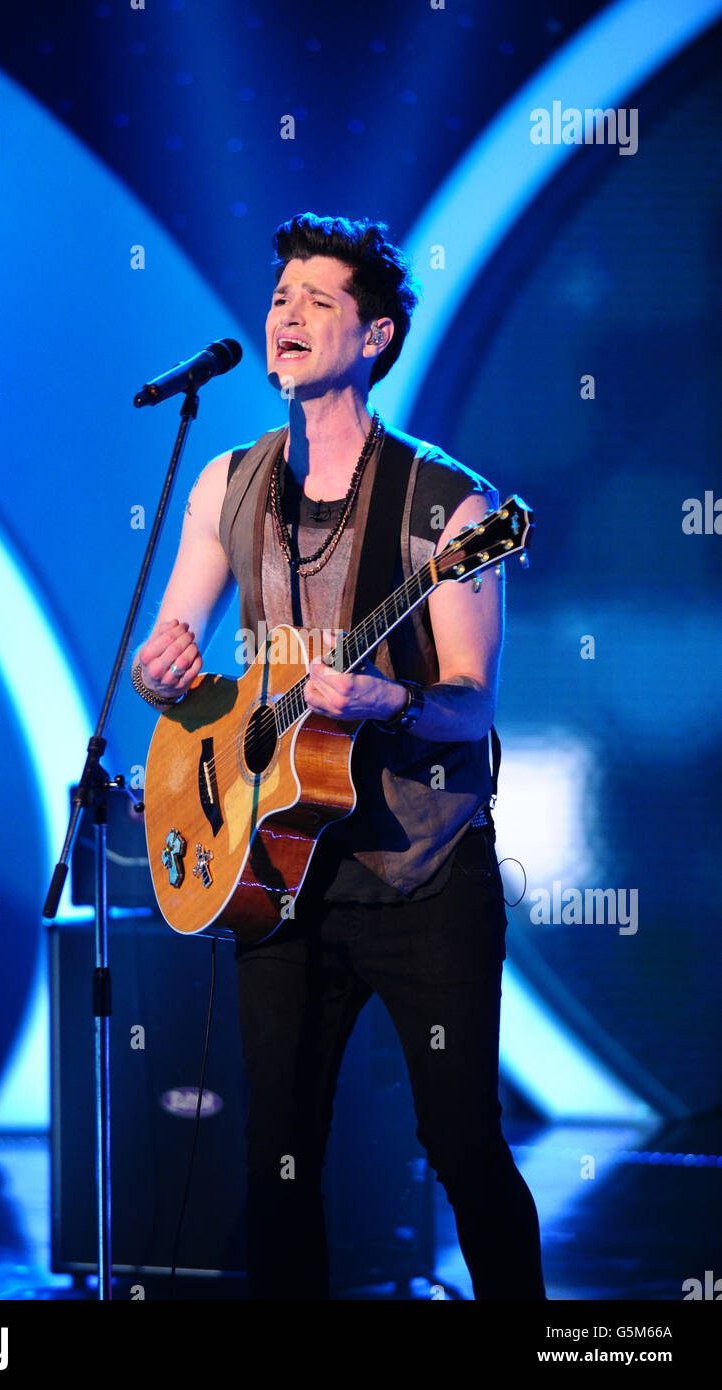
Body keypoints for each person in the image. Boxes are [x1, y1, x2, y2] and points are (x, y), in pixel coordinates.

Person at [132, 212, 545, 1301]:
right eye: (279, 299)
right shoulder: (227, 482)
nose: (287, 317)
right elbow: (176, 664)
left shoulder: (446, 505)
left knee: (460, 1141)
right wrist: (160, 668)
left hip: (420, 870)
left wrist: (384, 698)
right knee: (276, 1157)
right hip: (272, 869)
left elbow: (469, 708)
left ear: (375, 338)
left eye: (318, 302)